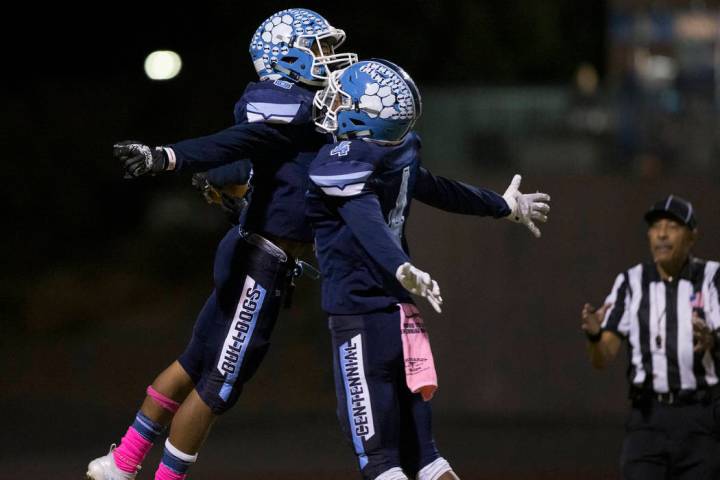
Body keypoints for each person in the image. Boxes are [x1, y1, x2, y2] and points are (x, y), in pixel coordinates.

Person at [86, 8, 355, 480]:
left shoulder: (304, 115)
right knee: (219, 384)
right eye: (320, 48)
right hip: (263, 262)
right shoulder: (282, 106)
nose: (329, 59)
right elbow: (237, 140)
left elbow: (245, 162)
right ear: (286, 58)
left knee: (193, 361)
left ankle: (121, 461)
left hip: (253, 250)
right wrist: (169, 157)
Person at [306, 59, 551, 480]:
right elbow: (442, 189)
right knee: (429, 459)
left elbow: (366, 219)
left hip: (361, 317)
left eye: (346, 98)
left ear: (368, 117)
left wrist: (401, 266)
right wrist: (502, 205)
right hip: (405, 318)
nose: (334, 102)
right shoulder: (400, 150)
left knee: (380, 462)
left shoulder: (342, 159)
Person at [581, 194, 720, 480]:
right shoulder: (631, 283)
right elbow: (602, 358)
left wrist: (714, 341)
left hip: (703, 417)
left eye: (673, 226)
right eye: (656, 226)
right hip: (648, 417)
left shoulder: (713, 278)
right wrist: (594, 336)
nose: (662, 234)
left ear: (692, 236)